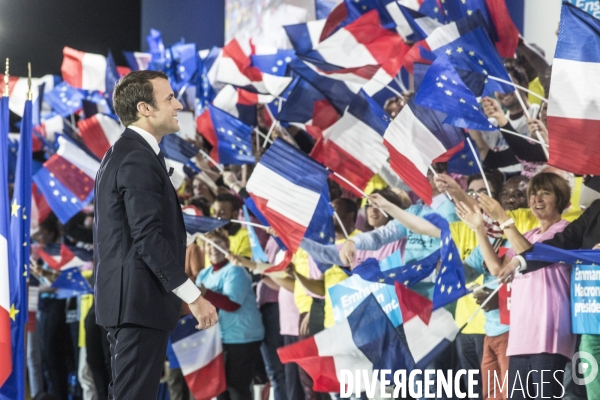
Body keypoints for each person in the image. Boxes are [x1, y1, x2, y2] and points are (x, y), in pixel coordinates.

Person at [93, 70, 217, 399]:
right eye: (169, 99)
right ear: (145, 109)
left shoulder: (124, 153)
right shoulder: (136, 157)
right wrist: (194, 296)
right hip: (137, 304)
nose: (178, 105)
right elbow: (147, 238)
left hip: (132, 303)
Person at [457, 172, 576, 399]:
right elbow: (497, 270)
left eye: (545, 193)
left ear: (560, 199)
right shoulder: (528, 234)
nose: (536, 199)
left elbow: (528, 255)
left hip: (548, 336)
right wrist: (479, 230)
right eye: (533, 194)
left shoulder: (564, 231)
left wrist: (502, 216)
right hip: (520, 338)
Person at [195, 230, 265, 400]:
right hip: (219, 338)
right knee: (220, 390)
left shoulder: (235, 270)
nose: (214, 249)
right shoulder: (203, 274)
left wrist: (206, 293)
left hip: (243, 337)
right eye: (209, 245)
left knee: (237, 388)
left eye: (219, 244)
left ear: (227, 246)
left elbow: (232, 304)